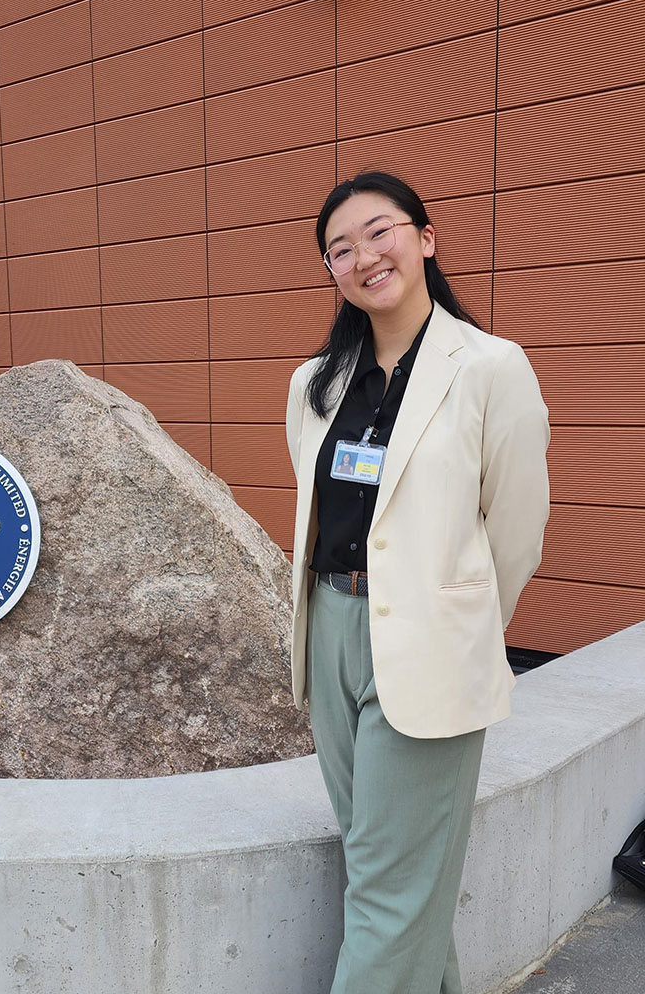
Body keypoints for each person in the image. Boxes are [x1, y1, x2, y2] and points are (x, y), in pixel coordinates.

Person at [285, 171, 550, 994]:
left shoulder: (490, 368)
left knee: (388, 890)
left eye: (379, 232)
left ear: (425, 238)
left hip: (431, 643)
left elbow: (515, 529)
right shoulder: (314, 383)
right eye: (339, 248)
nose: (362, 256)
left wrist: (458, 620)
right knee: (393, 872)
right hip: (330, 628)